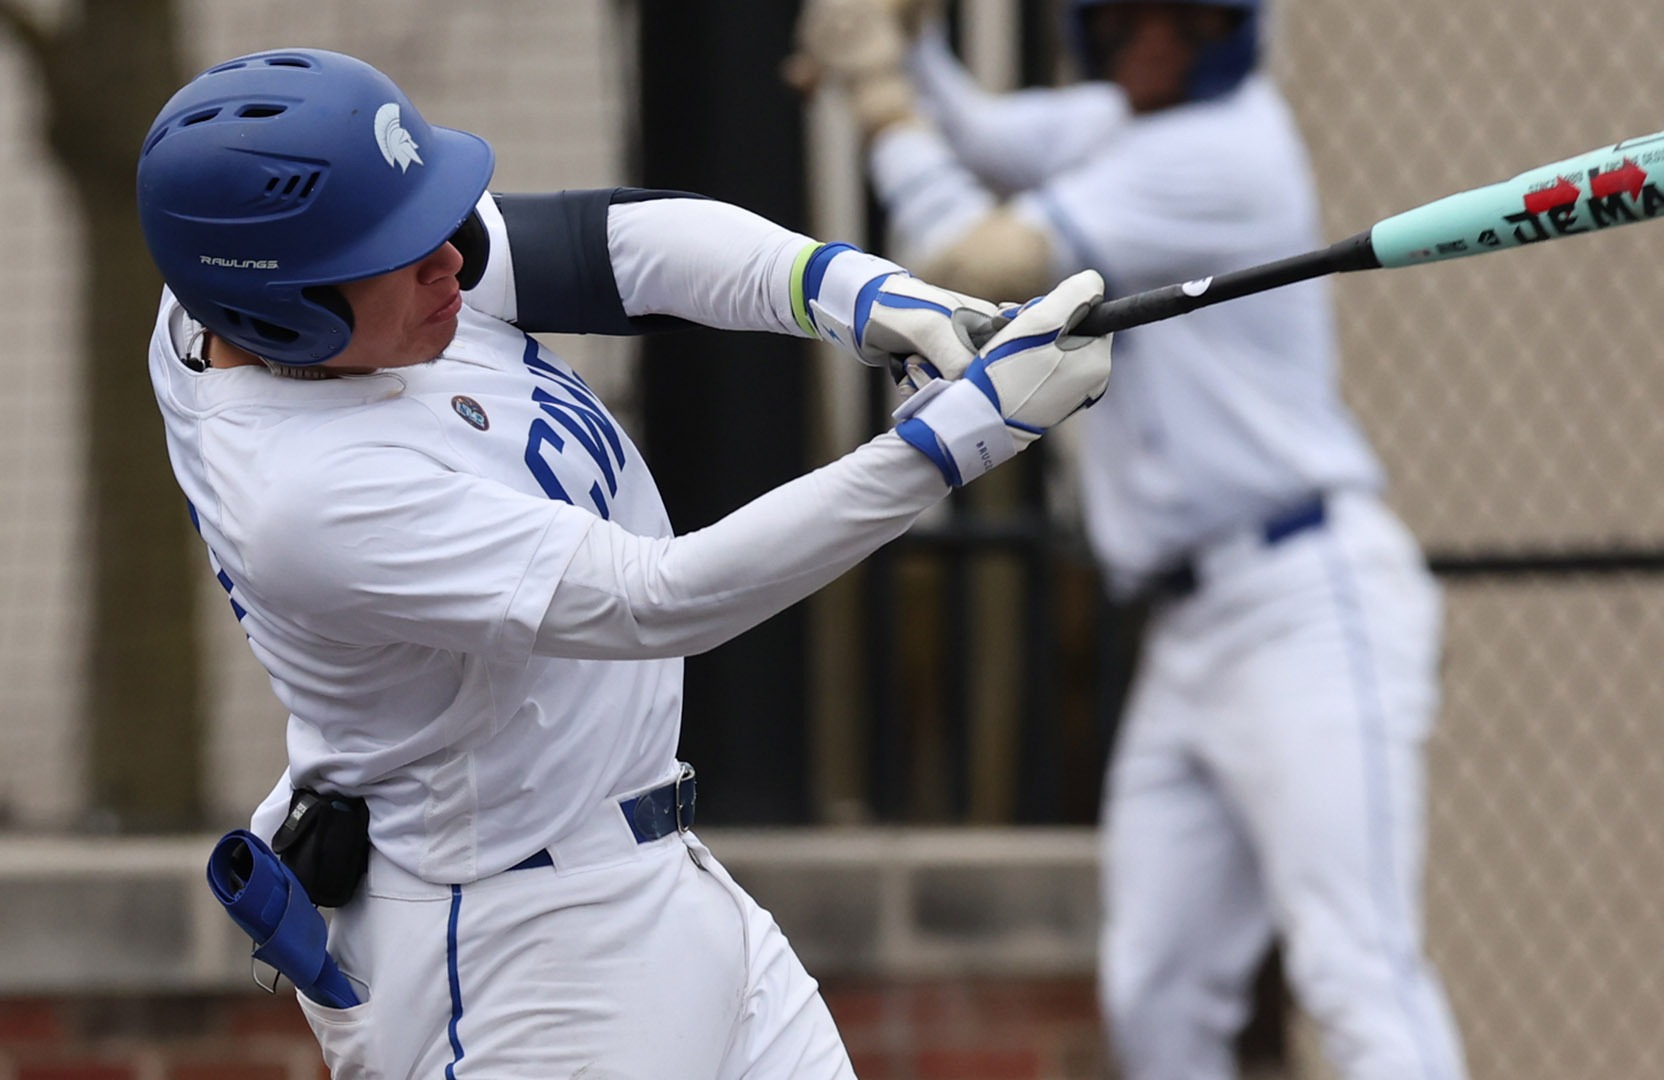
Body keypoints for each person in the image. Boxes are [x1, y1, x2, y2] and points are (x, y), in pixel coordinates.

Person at [136, 47, 1111, 1079]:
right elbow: (664, 596)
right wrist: (959, 437)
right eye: (399, 250)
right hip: (526, 965)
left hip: (653, 883)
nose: (454, 264)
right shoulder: (308, 494)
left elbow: (608, 244)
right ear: (277, 304)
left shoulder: (291, 307)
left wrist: (854, 290)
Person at [791, 3, 1471, 1078]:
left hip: (1305, 598)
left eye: (1184, 22)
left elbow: (972, 254)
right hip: (1189, 627)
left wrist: (876, 94)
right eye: (1128, 19)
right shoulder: (1122, 126)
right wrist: (904, 40)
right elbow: (979, 132)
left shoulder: (1223, 148)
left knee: (1355, 974)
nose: (1152, 45)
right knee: (1154, 994)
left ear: (1227, 34)